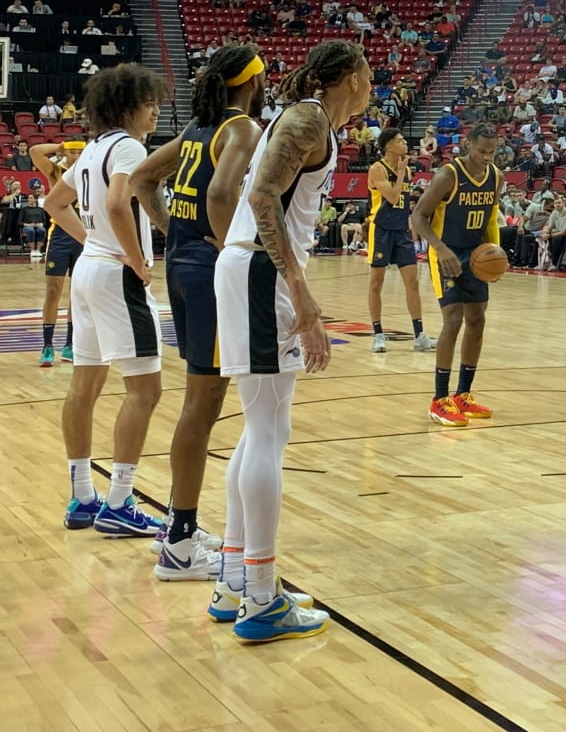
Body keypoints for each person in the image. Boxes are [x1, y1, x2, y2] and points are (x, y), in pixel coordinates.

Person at [211, 39, 370, 642]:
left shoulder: (309, 119)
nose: (372, 84)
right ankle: (260, 597)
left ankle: (234, 580)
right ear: (350, 77)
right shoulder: (307, 118)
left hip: (251, 267)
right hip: (261, 271)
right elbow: (259, 197)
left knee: (261, 429)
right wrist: (300, 291)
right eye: (368, 74)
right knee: (269, 432)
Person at [130, 46, 266, 581]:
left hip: (184, 267)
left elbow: (143, 178)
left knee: (201, 402)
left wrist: (174, 232)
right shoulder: (241, 129)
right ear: (252, 82)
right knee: (202, 405)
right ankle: (181, 545)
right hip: (209, 274)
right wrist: (235, 245)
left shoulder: (195, 129)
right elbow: (220, 193)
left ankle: (175, 526)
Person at [44, 64, 168, 535]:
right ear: (126, 107)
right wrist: (136, 260)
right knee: (145, 390)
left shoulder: (93, 147)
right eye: (148, 103)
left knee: (84, 387)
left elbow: (54, 204)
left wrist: (92, 241)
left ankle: (82, 497)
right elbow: (118, 204)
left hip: (88, 271)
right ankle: (118, 502)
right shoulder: (130, 148)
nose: (155, 111)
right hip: (116, 276)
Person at [409, 123, 503, 428]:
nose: (486, 157)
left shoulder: (495, 177)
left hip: (476, 255)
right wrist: (439, 249)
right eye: (481, 151)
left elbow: (490, 219)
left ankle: (463, 394)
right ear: (468, 145)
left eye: (491, 152)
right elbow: (418, 217)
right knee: (453, 320)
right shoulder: (448, 175)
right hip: (445, 254)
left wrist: (496, 256)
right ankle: (439, 399)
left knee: (477, 320)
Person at [366, 129, 433, 353]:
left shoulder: (408, 170)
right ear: (389, 146)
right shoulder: (377, 169)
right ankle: (378, 334)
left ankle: (419, 335)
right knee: (376, 283)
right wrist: (402, 173)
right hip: (381, 229)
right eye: (400, 141)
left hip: (402, 230)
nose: (405, 143)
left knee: (412, 282)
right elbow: (393, 198)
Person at [32, 138, 86, 365]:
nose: (76, 156)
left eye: (79, 153)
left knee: (77, 293)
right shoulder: (57, 172)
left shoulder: (90, 173)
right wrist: (60, 147)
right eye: (72, 152)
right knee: (53, 290)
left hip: (85, 236)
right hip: (61, 236)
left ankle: (70, 344)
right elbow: (35, 151)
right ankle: (47, 346)